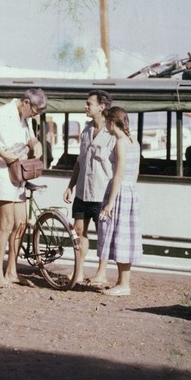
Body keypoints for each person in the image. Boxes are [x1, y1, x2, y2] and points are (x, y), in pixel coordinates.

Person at [0, 88, 48, 288]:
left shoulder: (25, 116)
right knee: (6, 224)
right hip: (1, 171)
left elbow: (30, 137)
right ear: (25, 102)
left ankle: (12, 271)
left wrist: (36, 142)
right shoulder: (3, 113)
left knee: (21, 223)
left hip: (18, 172)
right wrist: (1, 152)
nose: (35, 115)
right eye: (34, 111)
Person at [63, 90, 116, 285]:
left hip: (101, 192)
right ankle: (78, 272)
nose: (85, 107)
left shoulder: (112, 133)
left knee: (103, 234)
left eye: (88, 104)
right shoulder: (85, 131)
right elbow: (79, 161)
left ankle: (101, 273)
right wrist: (70, 185)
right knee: (78, 232)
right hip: (82, 192)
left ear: (101, 107)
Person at [96, 106, 142, 296]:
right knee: (125, 237)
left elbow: (118, 173)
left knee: (118, 235)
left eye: (107, 121)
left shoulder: (120, 142)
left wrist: (110, 202)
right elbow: (136, 171)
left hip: (120, 190)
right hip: (130, 190)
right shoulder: (134, 141)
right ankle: (122, 282)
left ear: (111, 122)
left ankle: (124, 285)